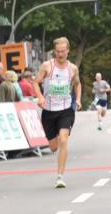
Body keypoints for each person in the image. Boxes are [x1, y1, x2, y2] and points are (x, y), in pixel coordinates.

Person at [34, 37, 82, 189]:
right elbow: (35, 82)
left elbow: (77, 84)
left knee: (63, 139)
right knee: (54, 146)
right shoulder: (47, 66)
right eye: (58, 51)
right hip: (48, 111)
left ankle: (60, 177)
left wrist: (78, 99)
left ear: (68, 51)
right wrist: (40, 97)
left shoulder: (73, 68)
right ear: (55, 51)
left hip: (66, 109)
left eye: (63, 51)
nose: (60, 54)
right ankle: (56, 149)